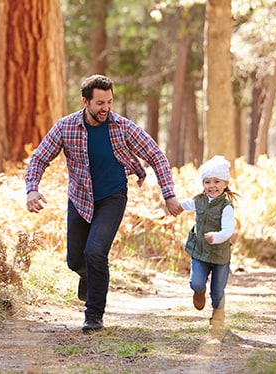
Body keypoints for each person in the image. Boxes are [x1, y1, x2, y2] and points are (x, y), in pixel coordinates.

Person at [25, 74, 182, 333]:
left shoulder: (122, 127)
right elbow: (40, 158)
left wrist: (169, 194)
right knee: (75, 260)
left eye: (109, 101)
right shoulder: (66, 127)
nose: (106, 108)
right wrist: (32, 189)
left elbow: (156, 155)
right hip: (79, 198)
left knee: (96, 252)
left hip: (112, 196)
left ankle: (94, 316)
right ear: (85, 101)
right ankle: (89, 276)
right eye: (100, 103)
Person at [180, 155, 238, 339]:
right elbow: (183, 204)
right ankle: (199, 291)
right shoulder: (199, 201)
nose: (211, 186)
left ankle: (218, 318)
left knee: (218, 290)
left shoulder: (226, 207)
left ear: (225, 183)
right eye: (207, 182)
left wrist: (217, 237)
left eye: (216, 181)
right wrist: (171, 203)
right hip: (200, 251)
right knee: (196, 281)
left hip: (220, 254)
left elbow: (228, 230)